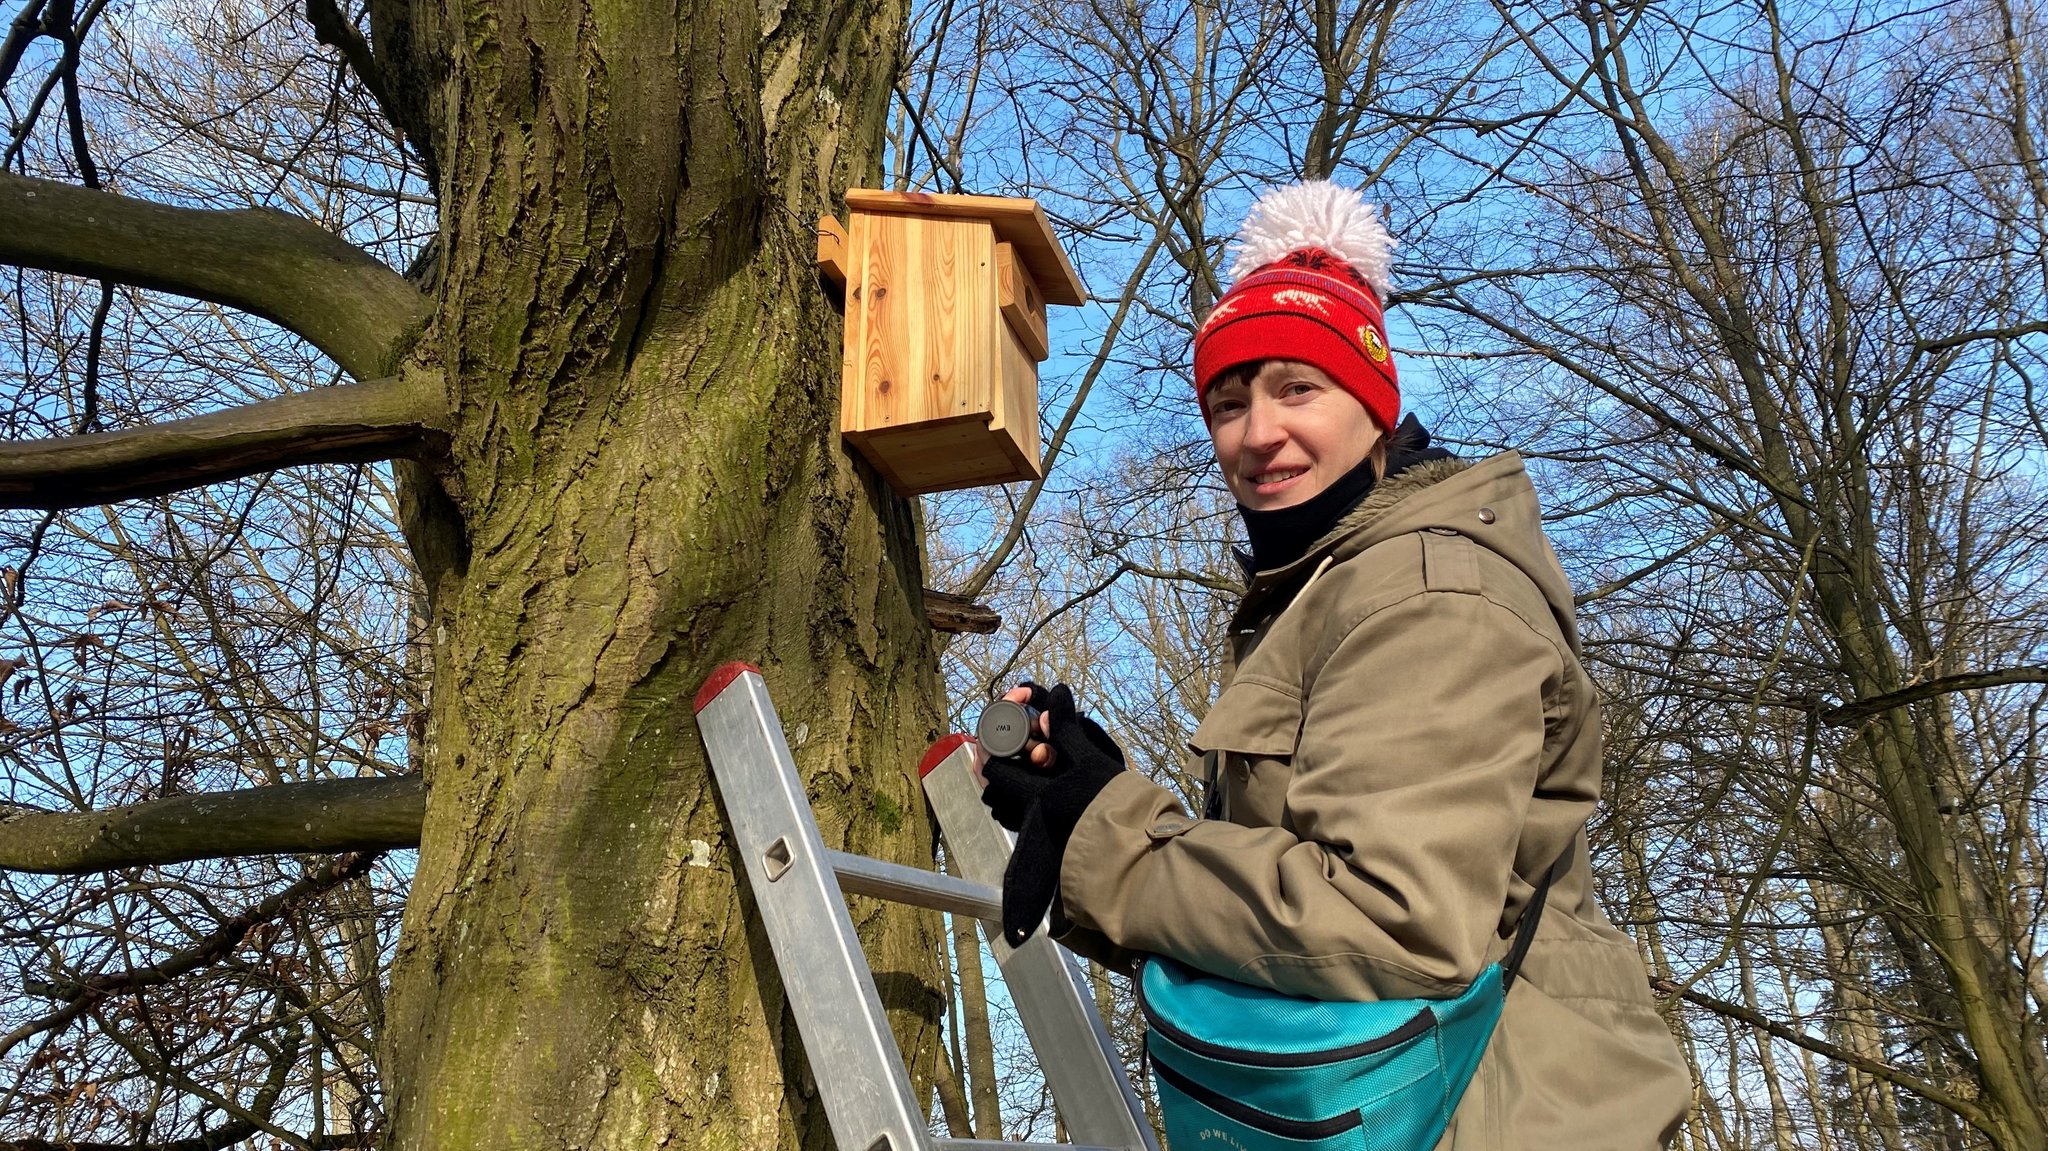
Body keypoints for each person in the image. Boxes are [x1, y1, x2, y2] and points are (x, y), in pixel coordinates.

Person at [976, 182, 1693, 1150]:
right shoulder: (1326, 591)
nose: (1255, 432)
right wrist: (1090, 799)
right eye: (1226, 402)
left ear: (1373, 402)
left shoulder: (1428, 595)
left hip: (1499, 1115)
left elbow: (1390, 919)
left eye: (1295, 388)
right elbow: (1302, 928)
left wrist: (1116, 840)